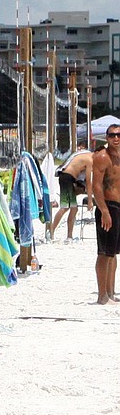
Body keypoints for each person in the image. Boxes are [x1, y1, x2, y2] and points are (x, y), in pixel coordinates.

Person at [91, 130, 120, 304]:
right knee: (104, 253)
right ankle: (102, 295)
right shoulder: (102, 157)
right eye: (112, 135)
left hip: (118, 207)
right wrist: (104, 211)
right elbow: (96, 186)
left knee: (114, 253)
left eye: (118, 135)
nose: (115, 138)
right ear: (107, 138)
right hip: (108, 207)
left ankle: (110, 292)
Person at [49, 149, 93, 242]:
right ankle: (51, 230)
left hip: (66, 176)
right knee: (65, 207)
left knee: (73, 208)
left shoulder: (84, 154)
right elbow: (88, 181)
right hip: (67, 177)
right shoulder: (90, 160)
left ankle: (69, 236)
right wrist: (90, 201)